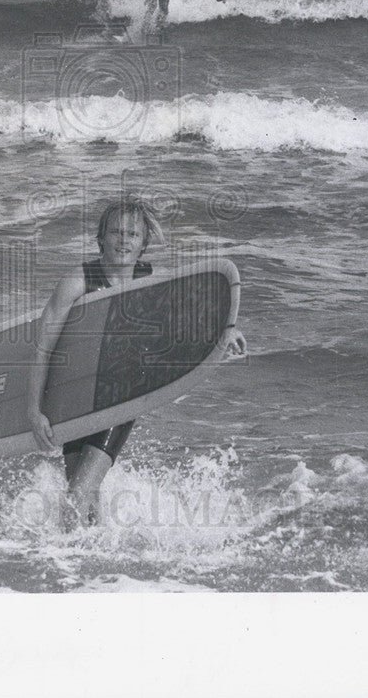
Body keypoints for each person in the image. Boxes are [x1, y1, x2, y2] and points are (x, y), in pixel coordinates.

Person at [27, 195, 246, 529]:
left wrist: (224, 334)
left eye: (132, 234)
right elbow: (42, 347)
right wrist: (34, 409)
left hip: (120, 400)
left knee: (77, 494)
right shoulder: (76, 283)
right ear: (101, 237)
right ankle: (94, 561)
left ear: (145, 242)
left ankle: (63, 564)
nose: (123, 240)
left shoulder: (150, 283)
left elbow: (189, 322)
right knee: (85, 496)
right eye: (116, 232)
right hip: (77, 397)